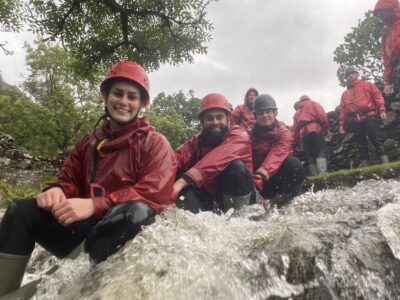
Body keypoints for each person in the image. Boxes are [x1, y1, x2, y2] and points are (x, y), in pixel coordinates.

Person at [0, 61, 177, 296]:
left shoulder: (155, 143)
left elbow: (154, 194)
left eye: (132, 97)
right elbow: (68, 180)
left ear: (141, 104)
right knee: (21, 210)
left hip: (126, 240)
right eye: (118, 93)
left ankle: (56, 286)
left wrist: (94, 205)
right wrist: (58, 190)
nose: (124, 102)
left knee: (134, 211)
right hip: (86, 237)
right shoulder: (87, 143)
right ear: (106, 95)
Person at [173, 93, 255, 213]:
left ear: (228, 118)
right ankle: (199, 220)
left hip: (245, 197)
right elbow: (175, 158)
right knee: (174, 171)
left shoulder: (240, 135)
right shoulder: (196, 141)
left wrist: (184, 180)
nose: (215, 122)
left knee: (236, 166)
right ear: (202, 121)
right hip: (214, 199)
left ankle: (239, 221)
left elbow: (217, 158)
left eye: (219, 117)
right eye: (209, 118)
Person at [251, 94, 305, 207]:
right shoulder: (249, 134)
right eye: (260, 113)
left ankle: (288, 202)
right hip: (257, 182)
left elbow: (277, 154)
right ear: (255, 117)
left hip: (272, 178)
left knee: (294, 163)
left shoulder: (284, 132)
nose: (265, 115)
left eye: (268, 112)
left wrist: (259, 176)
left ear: (275, 113)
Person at [339, 66, 389, 167]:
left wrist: (382, 110)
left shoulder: (367, 85)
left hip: (369, 116)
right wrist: (341, 125)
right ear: (346, 78)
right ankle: (366, 167)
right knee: (361, 144)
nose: (350, 76)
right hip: (355, 120)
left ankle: (386, 164)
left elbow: (378, 96)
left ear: (357, 74)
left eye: (352, 73)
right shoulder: (345, 94)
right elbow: (342, 110)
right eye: (348, 75)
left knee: (376, 140)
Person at [292, 95, 330, 175]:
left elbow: (295, 129)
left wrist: (296, 142)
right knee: (320, 150)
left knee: (310, 154)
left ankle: (314, 175)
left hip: (303, 134)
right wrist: (326, 130)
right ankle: (323, 173)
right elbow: (323, 116)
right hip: (315, 129)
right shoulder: (313, 104)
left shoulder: (297, 113)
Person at [373, 0, 400, 96]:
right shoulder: (385, 37)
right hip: (396, 73)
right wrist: (387, 82)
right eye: (379, 14)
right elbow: (387, 62)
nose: (381, 17)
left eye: (382, 12)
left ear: (391, 10)